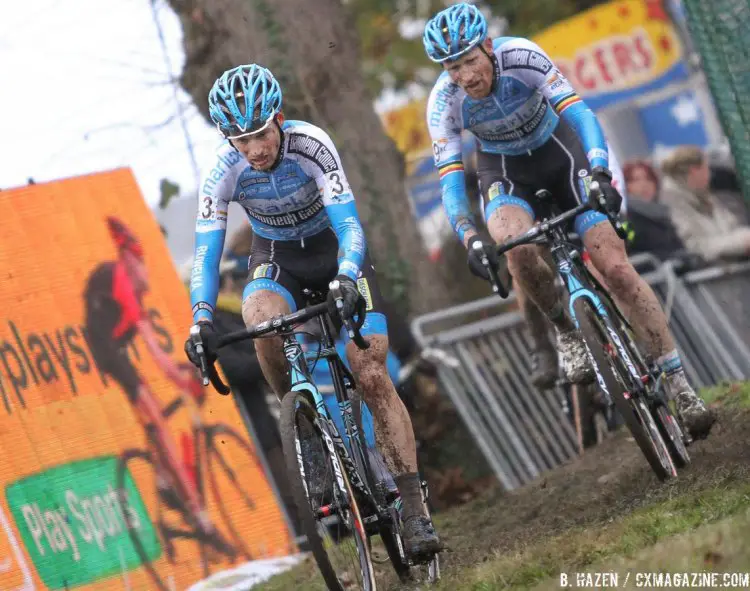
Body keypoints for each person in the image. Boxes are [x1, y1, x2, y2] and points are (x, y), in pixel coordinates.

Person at [183, 64, 440, 557]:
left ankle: (413, 509)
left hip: (335, 251)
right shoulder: (221, 173)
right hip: (278, 258)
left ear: (278, 118)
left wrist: (346, 275)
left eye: (260, 133)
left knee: (370, 372)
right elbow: (206, 251)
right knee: (261, 319)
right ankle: (303, 427)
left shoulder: (311, 145)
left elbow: (348, 224)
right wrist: (201, 317)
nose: (255, 148)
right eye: (241, 140)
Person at [422, 3, 714, 437]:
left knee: (616, 267)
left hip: (561, 155)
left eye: (468, 61)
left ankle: (679, 384)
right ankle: (567, 332)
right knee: (515, 249)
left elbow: (579, 114)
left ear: (487, 46)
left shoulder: (522, 56)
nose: (464, 76)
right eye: (451, 67)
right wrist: (470, 237)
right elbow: (449, 182)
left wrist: (599, 170)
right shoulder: (444, 102)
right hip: (504, 173)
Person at [84, 217, 233, 555]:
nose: (145, 271)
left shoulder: (131, 283)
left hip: (114, 343)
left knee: (160, 419)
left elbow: (160, 355)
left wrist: (183, 373)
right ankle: (200, 518)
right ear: (129, 260)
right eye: (141, 263)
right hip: (105, 347)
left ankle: (167, 479)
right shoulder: (123, 281)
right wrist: (181, 378)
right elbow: (153, 349)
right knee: (158, 421)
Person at [660, 145, 750, 263]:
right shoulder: (674, 205)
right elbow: (697, 247)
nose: (710, 174)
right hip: (711, 274)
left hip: (731, 268)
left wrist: (743, 239)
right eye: (706, 169)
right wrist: (742, 241)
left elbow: (730, 226)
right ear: (694, 171)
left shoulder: (703, 196)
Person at [622, 159, 685, 261]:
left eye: (649, 179)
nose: (644, 184)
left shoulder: (664, 213)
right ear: (625, 185)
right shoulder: (626, 219)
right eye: (636, 180)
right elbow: (629, 253)